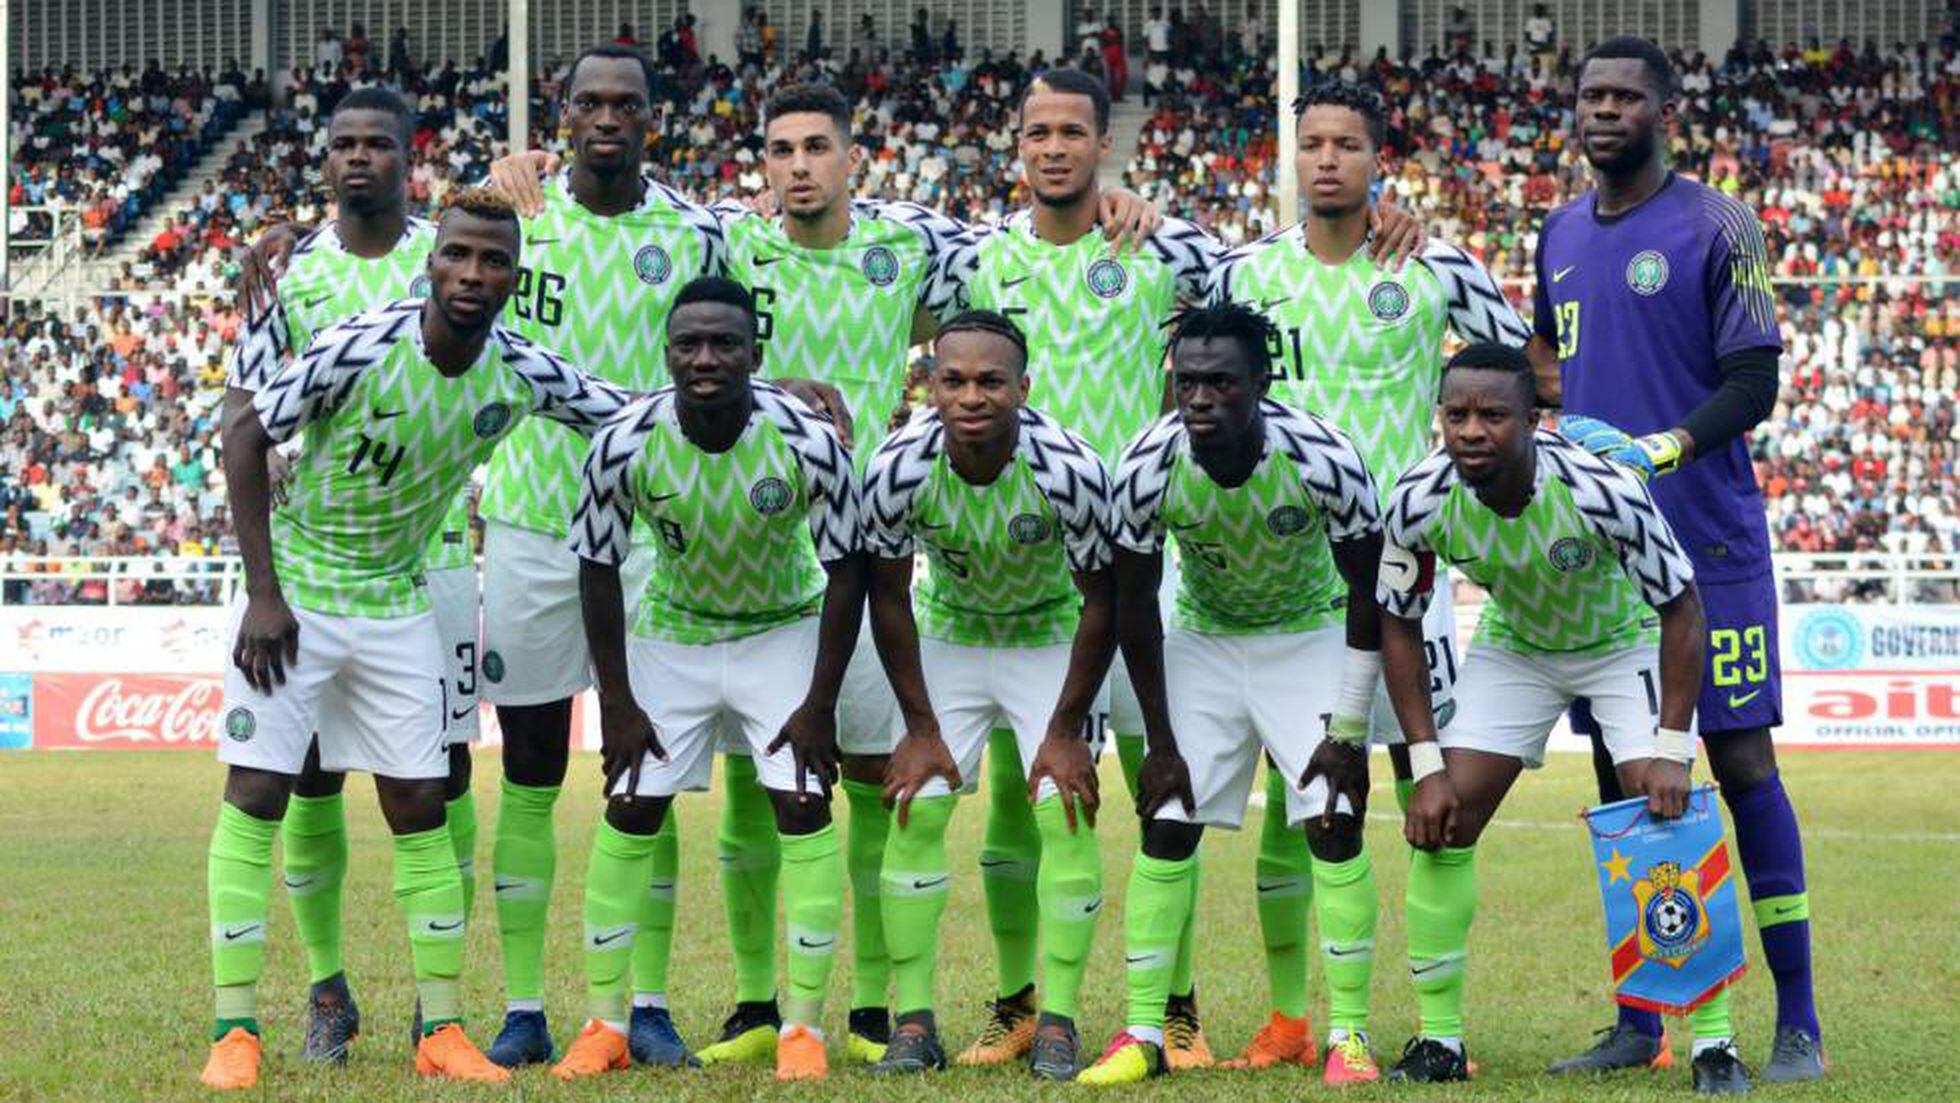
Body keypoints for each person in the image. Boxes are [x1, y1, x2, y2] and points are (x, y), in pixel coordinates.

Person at [483, 77, 1158, 1070]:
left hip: (851, 547)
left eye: (816, 148)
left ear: (853, 157)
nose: (798, 166)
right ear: (763, 161)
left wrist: (1110, 200)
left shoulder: (918, 241)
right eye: (780, 149)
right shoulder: (725, 237)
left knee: (871, 777)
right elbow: (616, 210)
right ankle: (757, 1000)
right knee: (746, 789)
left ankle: (885, 1006)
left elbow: (1031, 252)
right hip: (732, 540)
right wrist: (526, 166)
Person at [929, 68, 1424, 1071]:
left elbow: (1272, 281)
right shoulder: (969, 258)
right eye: (1038, 131)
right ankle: (1023, 999)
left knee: (1176, 788)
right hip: (1025, 569)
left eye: (1075, 131)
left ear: (1104, 147)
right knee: (1031, 794)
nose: (1056, 147)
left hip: (1147, 567)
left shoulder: (1176, 246)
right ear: (1013, 144)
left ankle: (1184, 1010)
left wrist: (1385, 215)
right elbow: (888, 306)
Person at [200, 189, 629, 1090]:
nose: (474, 275)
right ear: (431, 262)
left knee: (421, 803)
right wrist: (263, 594)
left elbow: (625, 412)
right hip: (302, 595)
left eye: (494, 261)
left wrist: (761, 393)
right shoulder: (361, 343)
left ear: (516, 274)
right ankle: (234, 1030)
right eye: (458, 256)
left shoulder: (519, 367)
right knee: (259, 791)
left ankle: (440, 1027)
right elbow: (243, 433)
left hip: (396, 601)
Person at [1206, 79, 1530, 1080]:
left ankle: (1443, 1025)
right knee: (1302, 799)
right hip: (1291, 575)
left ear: (1377, 158)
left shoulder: (1432, 263)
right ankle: (1295, 1017)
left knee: (1430, 796)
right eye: (1313, 143)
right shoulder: (1243, 274)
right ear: (1290, 157)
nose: (1328, 159)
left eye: (1348, 143)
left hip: (1406, 571)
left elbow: (1521, 369)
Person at [1533, 36, 1818, 1086]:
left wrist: (1663, 445)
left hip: (1709, 540)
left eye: (1623, 96)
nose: (1602, 110)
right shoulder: (1557, 231)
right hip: (1602, 556)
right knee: (1624, 776)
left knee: (1740, 765)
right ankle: (1641, 1017)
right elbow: (1545, 367)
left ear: (1664, 110)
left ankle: (1796, 1017)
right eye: (1588, 95)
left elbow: (1754, 380)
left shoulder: (1714, 222)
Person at [549, 277, 865, 1083]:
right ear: (667, 351)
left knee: (801, 801)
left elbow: (847, 569)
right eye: (689, 343)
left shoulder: (807, 438)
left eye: (725, 342)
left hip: (781, 627)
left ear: (756, 353)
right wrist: (614, 701)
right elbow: (596, 567)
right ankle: (605, 1021)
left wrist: (819, 703)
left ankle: (801, 1028)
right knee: (630, 804)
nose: (706, 357)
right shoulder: (623, 440)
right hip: (673, 633)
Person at [224, 87, 482, 1068]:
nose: (362, 158)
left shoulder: (455, 255)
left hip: (435, 559)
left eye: (381, 143)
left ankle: (438, 1005)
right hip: (314, 560)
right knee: (308, 773)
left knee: (443, 776)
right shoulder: (285, 269)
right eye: (346, 144)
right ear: (325, 159)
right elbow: (247, 412)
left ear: (409, 158)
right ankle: (327, 983)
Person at [1372, 343, 1712, 1088]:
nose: (1469, 430)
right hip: (1518, 645)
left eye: (1492, 414)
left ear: (1534, 419)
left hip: (1624, 642)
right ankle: (1441, 1042)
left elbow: (1684, 610)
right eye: (1456, 413)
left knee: (1667, 819)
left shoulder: (1601, 487)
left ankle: (1711, 1043)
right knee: (1444, 822)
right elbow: (1395, 619)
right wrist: (1424, 764)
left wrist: (1672, 748)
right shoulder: (1418, 497)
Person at [1078, 301, 1384, 1085]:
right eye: (1187, 381)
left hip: (1309, 634)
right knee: (1168, 819)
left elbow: (1367, 590)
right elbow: (1135, 604)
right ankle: (1144, 1032)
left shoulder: (1324, 455)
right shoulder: (1146, 464)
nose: (1200, 398)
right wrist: (1162, 742)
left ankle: (1348, 1036)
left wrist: (1348, 726)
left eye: (1221, 382)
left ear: (1262, 382)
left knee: (1334, 816)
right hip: (1205, 640)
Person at [860, 311, 1116, 1079]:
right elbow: (888, 595)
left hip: (1050, 635)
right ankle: (913, 1023)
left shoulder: (1070, 466)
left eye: (991, 381)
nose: (972, 395)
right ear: (929, 385)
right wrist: (919, 726)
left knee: (1063, 805)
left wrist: (1067, 727)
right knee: (917, 802)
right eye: (954, 379)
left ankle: (1059, 1023)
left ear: (1023, 389)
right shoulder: (897, 467)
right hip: (953, 633)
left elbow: (1103, 600)